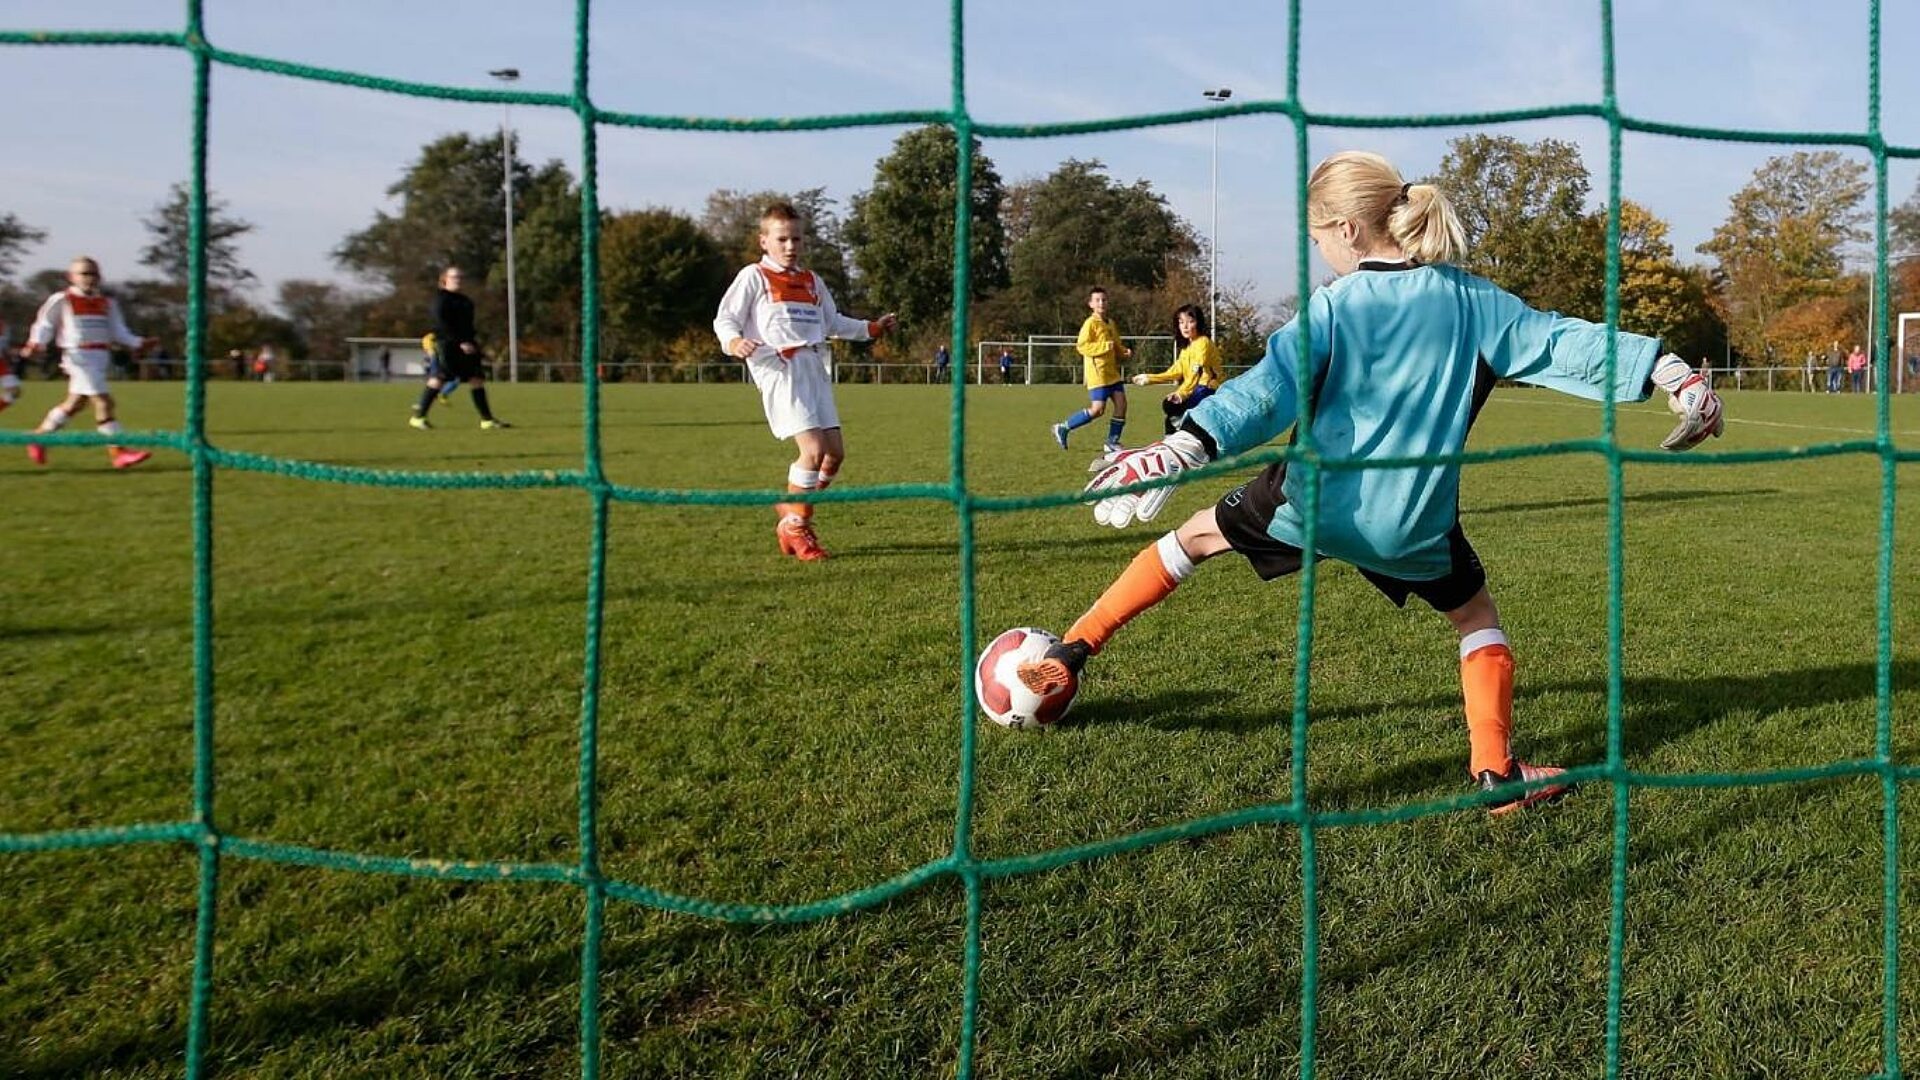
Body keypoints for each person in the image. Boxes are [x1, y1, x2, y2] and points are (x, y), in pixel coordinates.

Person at [1014, 151, 1726, 815]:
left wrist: (1182, 446)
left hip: (1313, 503)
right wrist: (1666, 369)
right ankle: (1495, 775)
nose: (1319, 249)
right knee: (1475, 619)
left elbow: (1268, 391)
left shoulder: (1333, 306)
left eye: (1318, 235)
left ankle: (1073, 652)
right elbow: (1562, 342)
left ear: (1347, 228)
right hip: (1413, 522)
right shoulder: (1475, 302)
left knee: (1193, 539)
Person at [713, 202, 897, 561]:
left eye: (796, 238)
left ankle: (792, 507)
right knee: (812, 452)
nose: (790, 246)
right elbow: (725, 319)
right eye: (782, 238)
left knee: (834, 455)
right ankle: (797, 528)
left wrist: (871, 328)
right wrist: (734, 342)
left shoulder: (811, 280)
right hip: (780, 368)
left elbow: (833, 322)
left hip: (814, 365)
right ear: (763, 241)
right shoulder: (754, 276)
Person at [19, 256, 157, 469]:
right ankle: (118, 452)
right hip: (78, 356)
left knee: (76, 403)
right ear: (71, 277)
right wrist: (36, 343)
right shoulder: (62, 299)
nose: (90, 278)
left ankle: (39, 437)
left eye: (94, 273)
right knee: (104, 402)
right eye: (84, 273)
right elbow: (44, 324)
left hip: (100, 357)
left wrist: (138, 343)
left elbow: (118, 331)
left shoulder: (107, 302)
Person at [411, 266, 506, 429]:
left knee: (476, 379)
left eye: (461, 277)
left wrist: (472, 343)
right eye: (454, 277)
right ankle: (418, 418)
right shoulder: (440, 300)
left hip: (467, 344)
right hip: (447, 344)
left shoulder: (465, 301)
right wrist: (460, 342)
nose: (458, 280)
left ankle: (487, 420)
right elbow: (441, 324)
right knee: (439, 379)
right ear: (444, 279)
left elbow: (468, 325)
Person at [1051, 286, 1132, 456]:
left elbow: (1115, 344)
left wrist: (1123, 351)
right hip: (1098, 373)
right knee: (1098, 410)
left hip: (1112, 373)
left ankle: (1112, 442)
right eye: (1097, 300)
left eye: (1104, 299)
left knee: (1122, 404)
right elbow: (1082, 346)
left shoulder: (1110, 323)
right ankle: (1063, 427)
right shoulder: (1090, 323)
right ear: (1090, 304)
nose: (1101, 302)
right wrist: (1104, 346)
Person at [1132, 304, 1226, 435]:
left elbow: (1196, 374)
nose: (1185, 326)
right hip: (1194, 389)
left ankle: (1186, 434)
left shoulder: (1203, 342)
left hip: (1209, 389)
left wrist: (1181, 394)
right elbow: (1175, 372)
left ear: (1198, 322)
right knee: (1170, 409)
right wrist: (1150, 378)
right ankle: (1173, 443)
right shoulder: (1187, 347)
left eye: (1190, 321)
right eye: (1181, 322)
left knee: (1176, 411)